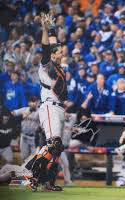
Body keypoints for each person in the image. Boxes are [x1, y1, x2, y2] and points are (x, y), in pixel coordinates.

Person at [25, 13, 67, 192]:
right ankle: (32, 173)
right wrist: (45, 29)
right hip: (49, 106)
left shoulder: (58, 68)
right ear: (53, 54)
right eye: (58, 51)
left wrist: (52, 29)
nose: (61, 53)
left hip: (59, 108)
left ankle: (48, 183)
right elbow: (46, 47)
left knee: (57, 148)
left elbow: (52, 43)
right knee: (53, 144)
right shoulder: (46, 64)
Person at [12, 96, 40, 162]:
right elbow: (12, 113)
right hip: (24, 137)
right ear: (29, 103)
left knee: (35, 159)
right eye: (32, 101)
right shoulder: (24, 109)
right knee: (23, 158)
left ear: (37, 103)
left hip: (34, 139)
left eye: (35, 102)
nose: (34, 103)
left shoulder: (40, 112)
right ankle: (23, 172)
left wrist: (40, 127)